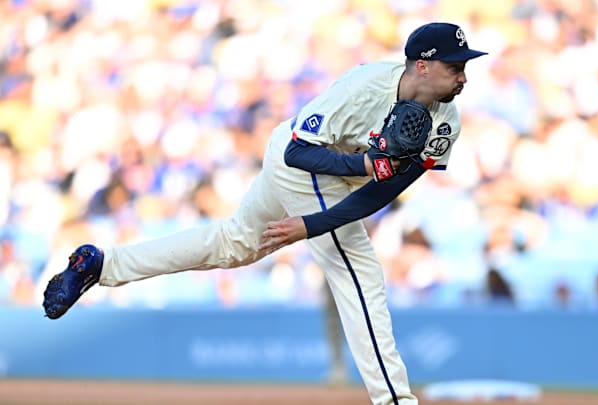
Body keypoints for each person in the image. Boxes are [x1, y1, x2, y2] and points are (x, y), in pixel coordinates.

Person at [42, 22, 487, 405]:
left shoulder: (447, 121)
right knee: (360, 273)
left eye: (465, 66)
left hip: (335, 178)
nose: (463, 76)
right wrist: (346, 183)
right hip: (304, 160)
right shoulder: (364, 87)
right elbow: (298, 153)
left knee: (232, 245)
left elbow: (382, 192)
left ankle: (103, 265)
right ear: (422, 66)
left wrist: (313, 223)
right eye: (455, 66)